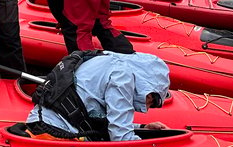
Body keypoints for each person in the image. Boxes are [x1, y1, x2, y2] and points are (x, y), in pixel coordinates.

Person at [24, 51, 171, 142]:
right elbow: (121, 138)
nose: (147, 107)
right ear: (150, 91)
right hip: (55, 134)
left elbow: (105, 122)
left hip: (41, 123)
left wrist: (143, 128)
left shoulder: (107, 59)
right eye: (153, 101)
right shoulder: (123, 76)